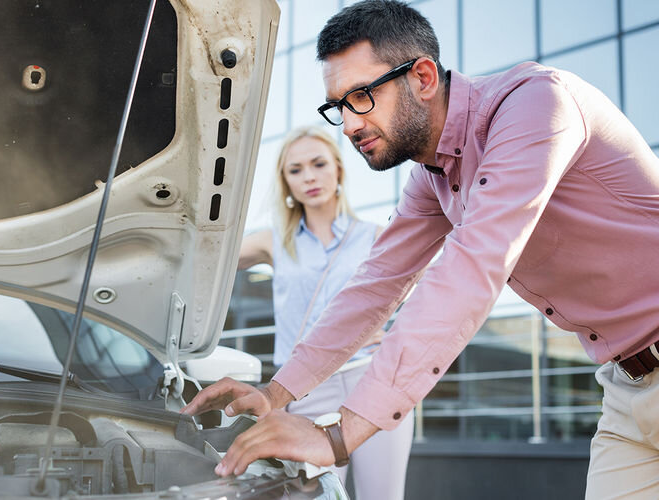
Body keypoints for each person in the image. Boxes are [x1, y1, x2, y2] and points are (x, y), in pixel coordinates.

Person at [182, 1, 659, 498]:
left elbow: (471, 267)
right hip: (625, 389)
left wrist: (340, 435)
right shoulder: (432, 178)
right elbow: (373, 287)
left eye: (361, 97)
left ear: (424, 77)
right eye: (338, 106)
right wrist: (276, 392)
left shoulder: (536, 105)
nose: (349, 125)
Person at [236, 126, 413, 499]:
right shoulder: (273, 241)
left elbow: (431, 277)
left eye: (318, 164)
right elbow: (210, 256)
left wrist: (394, 324)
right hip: (304, 388)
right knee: (318, 496)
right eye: (296, 169)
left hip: (372, 378)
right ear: (286, 182)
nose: (309, 177)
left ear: (338, 170)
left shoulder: (374, 237)